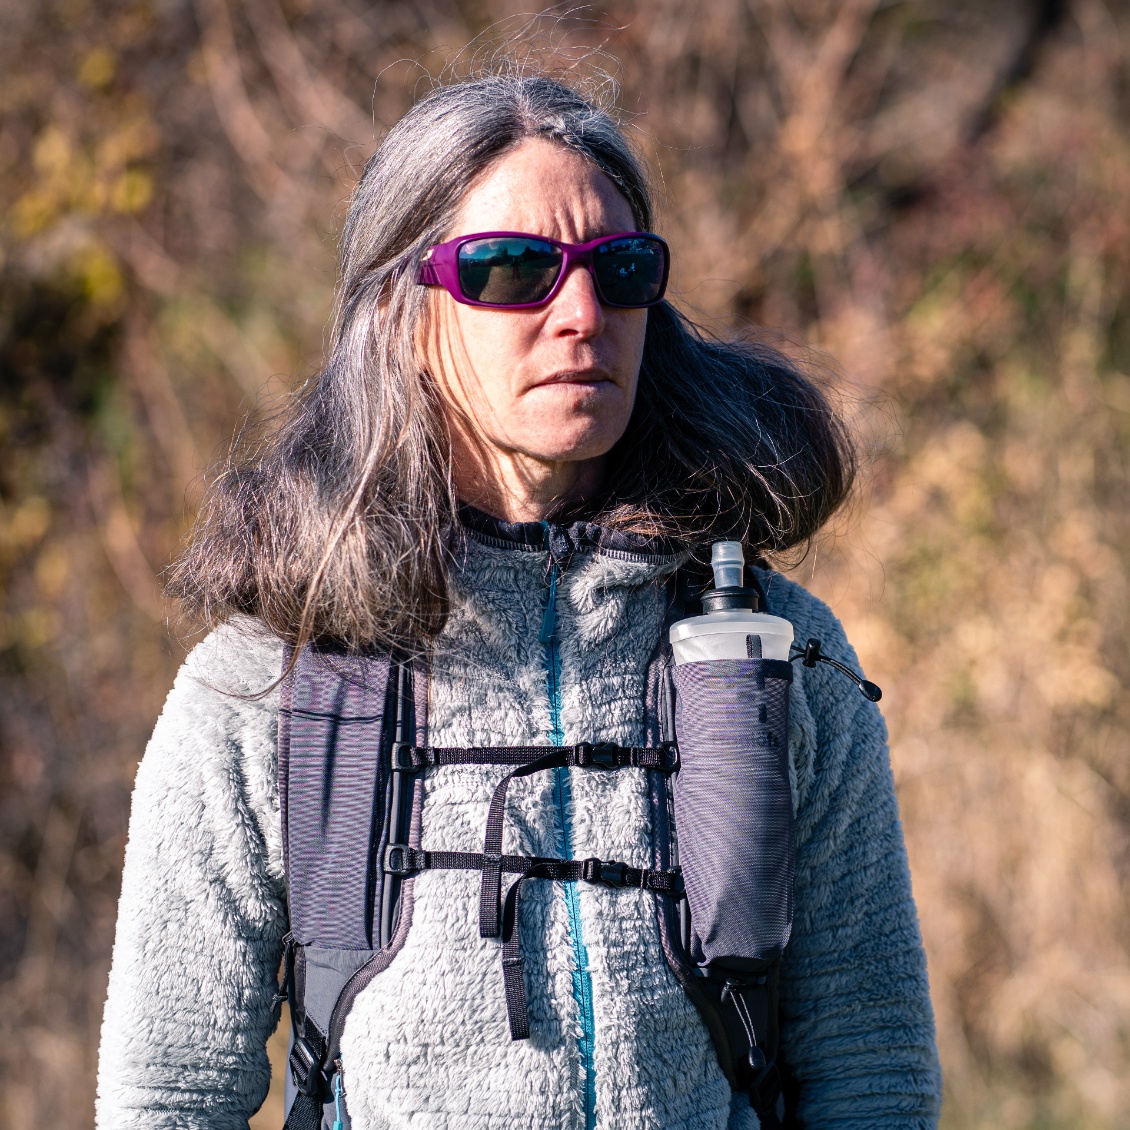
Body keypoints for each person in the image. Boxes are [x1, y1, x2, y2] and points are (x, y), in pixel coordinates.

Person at [95, 72, 942, 1129]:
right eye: (511, 270)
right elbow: (169, 1098)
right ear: (402, 315)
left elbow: (871, 1069)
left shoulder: (773, 656)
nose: (582, 314)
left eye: (617, 269)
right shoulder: (269, 682)